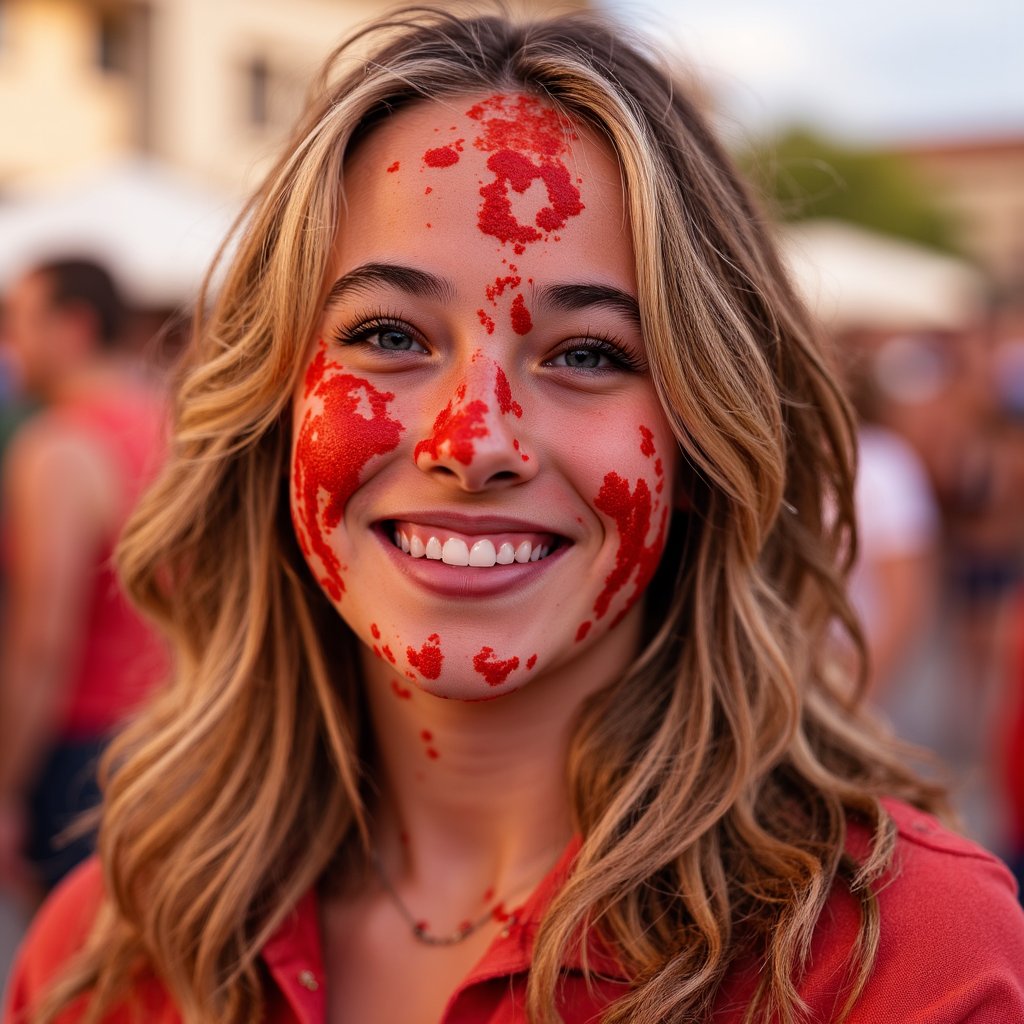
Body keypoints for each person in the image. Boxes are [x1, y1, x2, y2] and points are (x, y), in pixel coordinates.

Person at [5, 8, 1024, 1023]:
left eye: (587, 353)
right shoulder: (101, 950)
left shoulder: (894, 957)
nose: (473, 440)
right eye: (390, 333)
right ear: (274, 408)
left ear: (700, 441)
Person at [0, 258, 168, 909]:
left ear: (74, 327)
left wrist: (7, 788)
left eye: (21, 321)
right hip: (180, 733)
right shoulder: (178, 422)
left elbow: (43, 640)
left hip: (86, 759)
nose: (12, 343)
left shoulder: (60, 447)